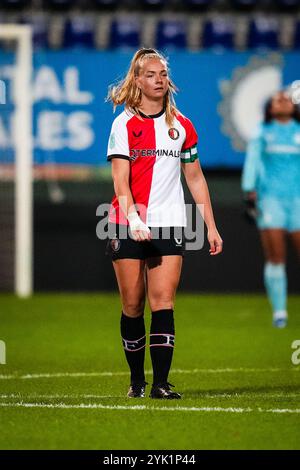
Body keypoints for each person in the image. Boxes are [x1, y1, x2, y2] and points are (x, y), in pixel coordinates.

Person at [105, 48, 223, 399]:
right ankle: (136, 381)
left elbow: (196, 178)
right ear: (137, 79)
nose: (159, 80)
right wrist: (134, 219)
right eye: (152, 74)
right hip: (126, 223)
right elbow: (120, 182)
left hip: (170, 223)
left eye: (163, 74)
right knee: (132, 304)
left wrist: (211, 227)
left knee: (164, 301)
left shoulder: (182, 125)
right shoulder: (123, 124)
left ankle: (160, 384)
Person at [242, 90, 300, 328]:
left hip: (298, 200)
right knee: (276, 257)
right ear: (270, 108)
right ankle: (280, 312)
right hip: (271, 200)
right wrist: (249, 190)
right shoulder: (263, 133)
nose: (283, 100)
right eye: (277, 99)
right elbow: (253, 160)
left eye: (286, 98)